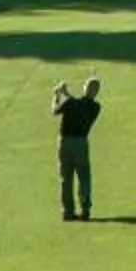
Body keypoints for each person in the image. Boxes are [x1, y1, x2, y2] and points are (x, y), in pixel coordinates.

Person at [53, 76, 102, 221]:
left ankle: (68, 212)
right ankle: (84, 210)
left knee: (66, 178)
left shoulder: (90, 106)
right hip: (80, 143)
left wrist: (58, 93)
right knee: (83, 177)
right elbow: (66, 106)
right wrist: (61, 94)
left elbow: (55, 109)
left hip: (65, 142)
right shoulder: (95, 107)